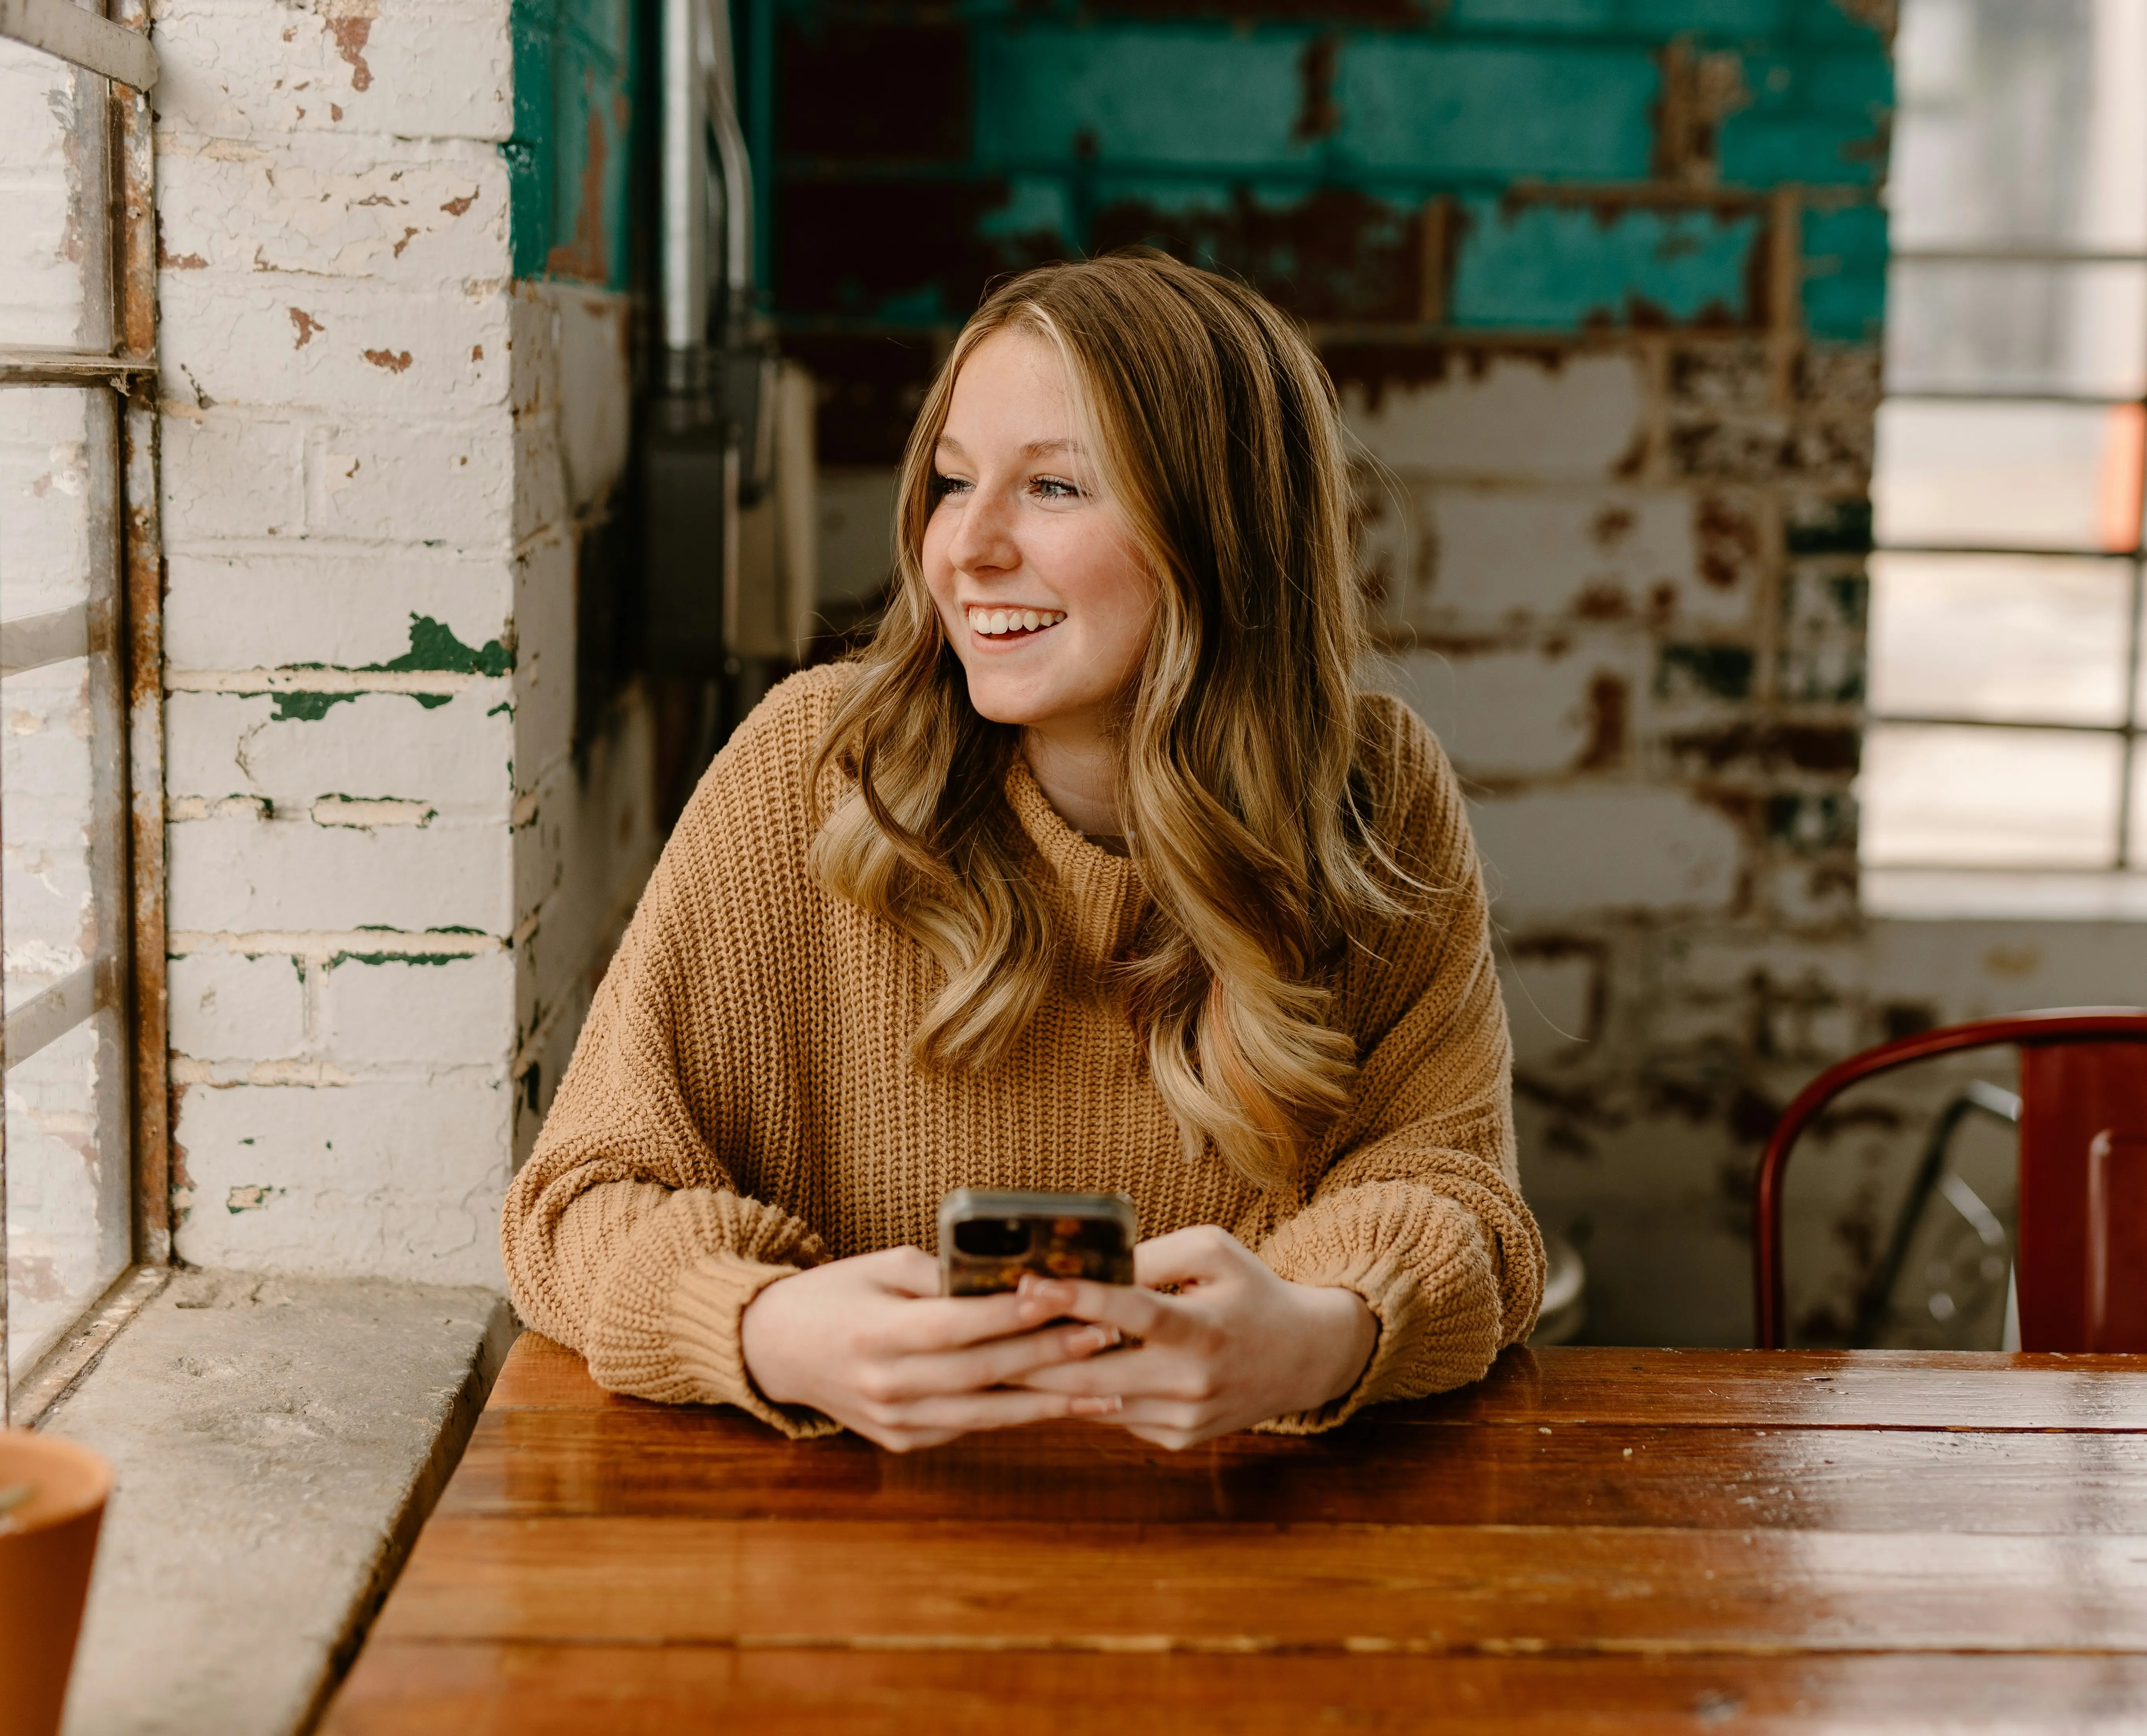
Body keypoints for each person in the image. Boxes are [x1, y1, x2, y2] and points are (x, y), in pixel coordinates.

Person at [501, 250, 1543, 1452]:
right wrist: (769, 1328)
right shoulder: (811, 765)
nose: (967, 549)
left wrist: (1319, 1336)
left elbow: (1459, 1199)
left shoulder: (1371, 786)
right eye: (951, 483)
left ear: (1220, 531)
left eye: (1052, 489)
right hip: (838, 1550)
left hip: (1238, 1549)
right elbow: (577, 1201)